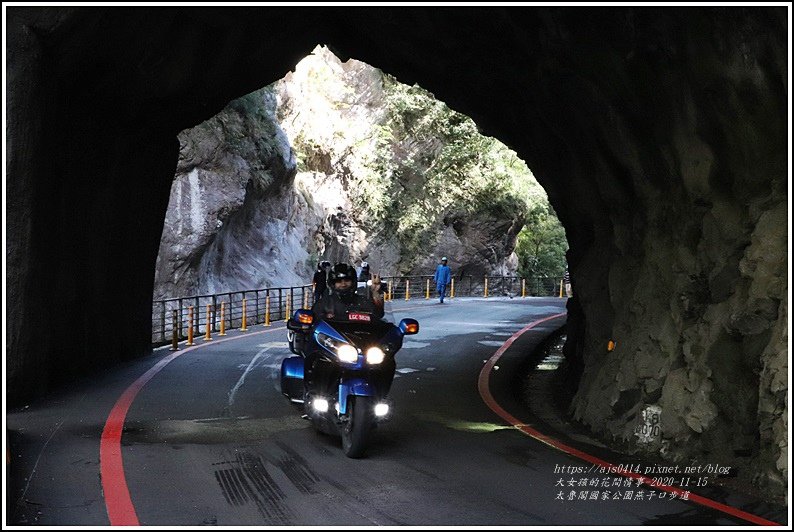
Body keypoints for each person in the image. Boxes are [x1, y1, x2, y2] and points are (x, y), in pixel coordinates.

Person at [312, 262, 384, 321]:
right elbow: (313, 323)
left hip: (360, 337)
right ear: (332, 283)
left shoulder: (362, 301)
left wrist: (375, 293)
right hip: (333, 338)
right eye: (338, 281)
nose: (343, 284)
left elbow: (378, 315)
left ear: (353, 281)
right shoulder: (324, 303)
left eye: (347, 280)